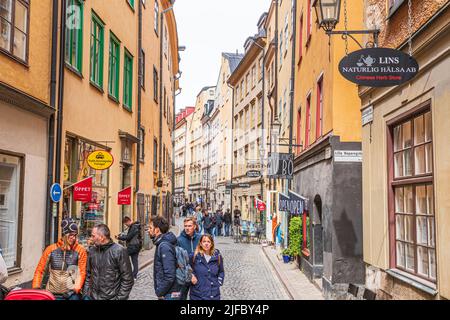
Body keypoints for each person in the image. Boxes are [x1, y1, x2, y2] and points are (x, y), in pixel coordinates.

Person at [32, 218, 87, 300]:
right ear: (65, 235)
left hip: (71, 294)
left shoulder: (80, 250)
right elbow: (40, 270)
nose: (73, 238)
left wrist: (76, 289)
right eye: (71, 235)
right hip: (52, 293)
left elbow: (82, 272)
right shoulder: (51, 249)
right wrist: (36, 287)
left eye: (75, 235)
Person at [83, 224, 134, 300]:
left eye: (93, 236)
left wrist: (119, 298)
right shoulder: (92, 251)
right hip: (92, 297)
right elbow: (88, 274)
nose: (91, 238)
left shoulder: (119, 251)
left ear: (102, 237)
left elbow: (128, 279)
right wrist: (86, 294)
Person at [148, 216, 181, 300]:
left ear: (157, 229)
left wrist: (160, 292)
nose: (148, 230)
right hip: (169, 292)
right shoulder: (162, 243)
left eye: (150, 228)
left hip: (169, 294)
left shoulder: (164, 246)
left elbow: (170, 275)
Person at [189, 234, 224, 300]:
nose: (206, 244)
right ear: (201, 244)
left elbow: (221, 271)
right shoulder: (194, 256)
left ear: (211, 244)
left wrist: (219, 282)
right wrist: (191, 276)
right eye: (204, 241)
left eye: (208, 242)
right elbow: (185, 266)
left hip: (213, 294)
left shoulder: (217, 256)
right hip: (198, 294)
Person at [177, 217, 201, 300]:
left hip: (198, 275)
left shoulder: (200, 238)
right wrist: (190, 275)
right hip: (184, 276)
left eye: (189, 226)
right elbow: (179, 261)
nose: (187, 228)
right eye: (185, 226)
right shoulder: (179, 240)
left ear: (194, 226)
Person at [116, 216, 142, 281]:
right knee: (134, 260)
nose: (126, 225)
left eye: (125, 223)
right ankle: (134, 275)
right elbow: (129, 236)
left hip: (133, 246)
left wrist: (119, 237)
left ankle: (125, 274)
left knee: (123, 258)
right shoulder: (135, 226)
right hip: (137, 246)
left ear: (128, 221)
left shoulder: (134, 227)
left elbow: (128, 237)